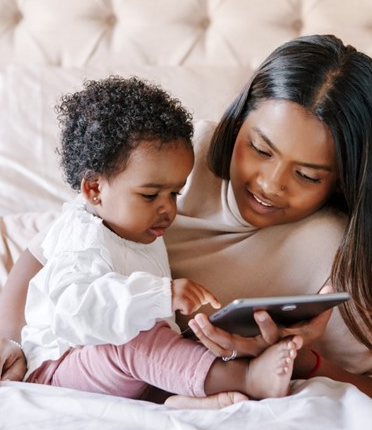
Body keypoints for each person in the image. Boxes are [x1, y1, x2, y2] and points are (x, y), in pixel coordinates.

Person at [0, 34, 372, 408]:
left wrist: (307, 360)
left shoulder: (338, 253)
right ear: (241, 122)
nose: (269, 183)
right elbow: (51, 243)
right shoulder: (195, 149)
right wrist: (4, 335)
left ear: (344, 179)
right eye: (259, 149)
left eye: (307, 175)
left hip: (66, 337)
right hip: (8, 271)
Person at [20, 75, 301, 402]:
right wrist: (160, 295)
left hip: (120, 372)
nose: (168, 208)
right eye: (150, 195)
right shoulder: (82, 235)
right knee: (136, 342)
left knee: (159, 343)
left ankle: (181, 401)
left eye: (175, 192)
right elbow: (72, 311)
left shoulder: (141, 230)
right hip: (59, 369)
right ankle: (245, 378)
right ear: (94, 189)